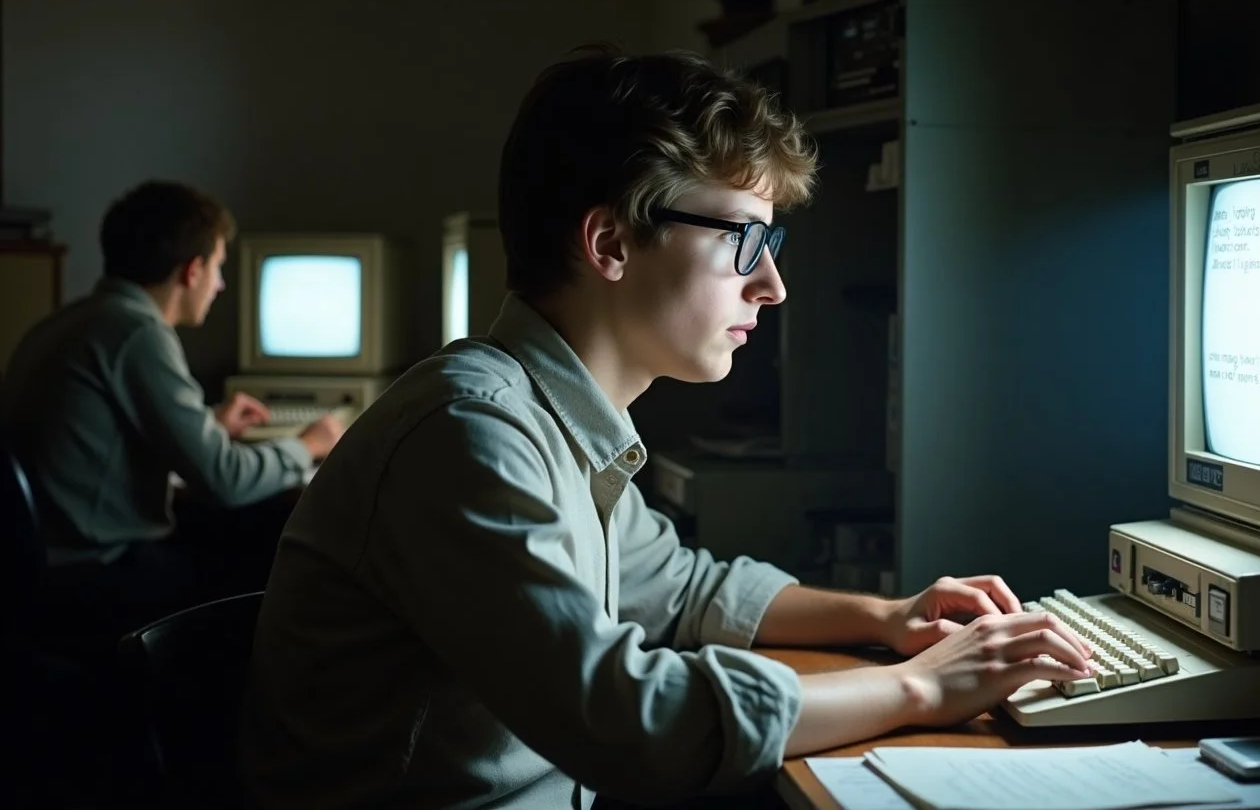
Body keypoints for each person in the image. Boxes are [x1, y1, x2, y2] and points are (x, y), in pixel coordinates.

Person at [242, 46, 1093, 809]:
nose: (773, 286)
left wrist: (886, 616)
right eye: (744, 241)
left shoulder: (556, 418)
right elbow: (631, 722)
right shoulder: (470, 434)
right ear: (611, 243)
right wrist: (923, 688)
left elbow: (681, 589)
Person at [0, 180, 344, 638]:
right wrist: (308, 445)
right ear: (191, 271)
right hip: (96, 575)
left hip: (40, 565)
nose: (220, 284)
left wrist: (208, 425)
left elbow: (103, 441)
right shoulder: (137, 333)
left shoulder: (68, 321)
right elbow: (225, 480)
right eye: (218, 267)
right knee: (275, 551)